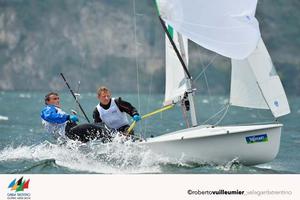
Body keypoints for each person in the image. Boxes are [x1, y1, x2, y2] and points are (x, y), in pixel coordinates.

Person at [41, 92, 111, 143]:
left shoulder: (56, 110)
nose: (57, 100)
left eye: (58, 98)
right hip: (69, 133)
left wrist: (70, 120)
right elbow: (49, 116)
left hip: (70, 134)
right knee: (94, 127)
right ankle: (113, 141)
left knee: (101, 124)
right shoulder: (48, 109)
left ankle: (110, 140)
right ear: (47, 101)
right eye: (54, 99)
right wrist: (68, 117)